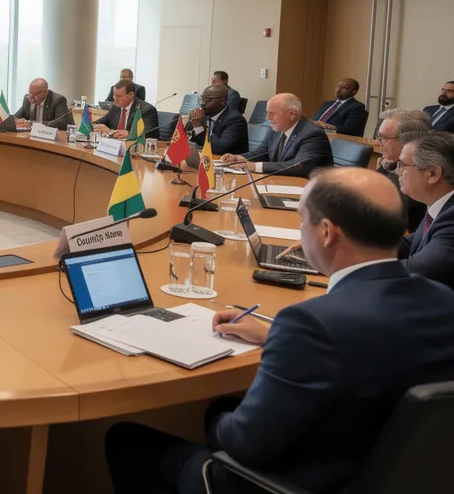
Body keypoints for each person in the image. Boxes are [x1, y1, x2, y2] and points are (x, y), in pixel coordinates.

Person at [105, 167, 454, 494]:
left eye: (303, 222)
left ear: (327, 233)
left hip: (294, 482)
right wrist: (273, 335)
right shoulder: (442, 300)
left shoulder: (312, 324)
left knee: (127, 439)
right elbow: (374, 352)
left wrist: (211, 411)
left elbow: (244, 443)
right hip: (392, 476)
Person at [220, 93, 334, 176]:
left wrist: (254, 166)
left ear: (292, 114)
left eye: (272, 113)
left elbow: (299, 166)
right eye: (267, 113)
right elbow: (262, 151)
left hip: (311, 191)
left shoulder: (312, 134)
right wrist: (239, 158)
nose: (267, 118)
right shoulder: (278, 128)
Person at [396, 132, 454, 290]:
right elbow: (409, 245)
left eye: (402, 165)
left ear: (433, 173)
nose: (396, 172)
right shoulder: (440, 205)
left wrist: (355, 269)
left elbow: (419, 269)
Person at [375, 109, 432, 232]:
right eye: (378, 136)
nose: (378, 142)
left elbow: (382, 212)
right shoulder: (391, 162)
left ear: (407, 140)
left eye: (383, 137)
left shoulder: (417, 171)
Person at [187, 84, 249, 155]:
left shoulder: (235, 120)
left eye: (208, 101)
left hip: (228, 162)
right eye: (202, 100)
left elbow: (220, 148)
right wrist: (193, 125)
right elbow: (188, 138)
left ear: (222, 101)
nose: (203, 104)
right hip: (206, 159)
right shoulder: (203, 115)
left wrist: (199, 127)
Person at [94, 80, 158, 141]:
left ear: (131, 95)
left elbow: (150, 134)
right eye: (114, 95)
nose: (115, 99)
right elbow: (101, 121)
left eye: (119, 96)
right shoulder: (115, 107)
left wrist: (112, 132)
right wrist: (95, 126)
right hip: (115, 147)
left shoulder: (147, 110)